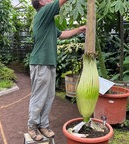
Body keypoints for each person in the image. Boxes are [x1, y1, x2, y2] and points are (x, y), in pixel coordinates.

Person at [28, 0, 86, 141]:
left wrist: (79, 29)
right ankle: (32, 126)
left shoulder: (48, 22)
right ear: (41, 2)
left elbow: (61, 35)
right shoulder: (43, 12)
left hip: (48, 63)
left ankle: (43, 125)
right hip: (41, 63)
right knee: (39, 96)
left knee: (48, 96)